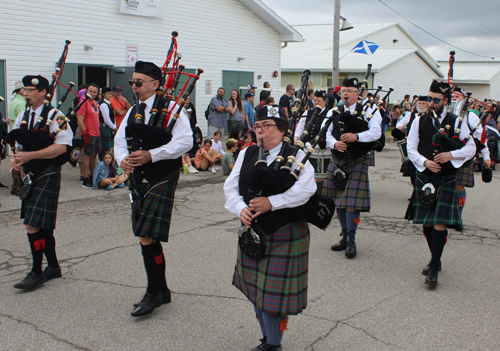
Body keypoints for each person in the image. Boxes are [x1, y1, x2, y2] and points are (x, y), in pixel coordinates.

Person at [224, 104, 315, 351]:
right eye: (257, 126)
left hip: (284, 233)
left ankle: (273, 345)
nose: (260, 132)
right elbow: (230, 188)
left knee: (273, 300)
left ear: (283, 129)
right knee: (257, 292)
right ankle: (267, 339)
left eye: (267, 127)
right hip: (252, 233)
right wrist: (239, 208)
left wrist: (271, 203)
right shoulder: (247, 153)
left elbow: (306, 191)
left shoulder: (298, 155)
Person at [114, 61, 193, 317]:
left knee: (146, 234)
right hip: (138, 177)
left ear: (155, 84)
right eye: (132, 83)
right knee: (148, 234)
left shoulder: (172, 109)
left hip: (162, 175)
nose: (134, 87)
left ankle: (153, 293)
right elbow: (119, 140)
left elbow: (186, 141)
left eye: (138, 82)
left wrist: (152, 155)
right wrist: (122, 159)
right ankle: (163, 290)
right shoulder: (133, 110)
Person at [405, 80, 475, 286]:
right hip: (425, 176)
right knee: (427, 222)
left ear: (445, 101)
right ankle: (436, 256)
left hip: (446, 178)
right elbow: (411, 148)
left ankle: (434, 266)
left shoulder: (457, 121)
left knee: (439, 222)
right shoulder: (419, 121)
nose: (431, 103)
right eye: (428, 98)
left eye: (435, 100)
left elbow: (471, 148)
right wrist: (425, 161)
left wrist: (450, 155)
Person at [9, 75, 73, 289]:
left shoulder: (56, 115)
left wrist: (31, 156)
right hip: (29, 173)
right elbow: (17, 142)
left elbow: (62, 147)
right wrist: (16, 158)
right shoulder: (23, 115)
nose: (25, 93)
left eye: (29, 89)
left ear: (43, 92)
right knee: (42, 227)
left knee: (32, 223)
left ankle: (36, 271)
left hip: (48, 172)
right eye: (24, 89)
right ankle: (53, 267)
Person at [322, 77, 382, 259]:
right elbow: (325, 132)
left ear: (358, 93)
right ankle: (344, 235)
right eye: (343, 92)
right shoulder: (334, 111)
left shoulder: (370, 110)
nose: (345, 94)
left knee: (351, 203)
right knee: (339, 200)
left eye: (349, 91)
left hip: (357, 159)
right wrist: (334, 143)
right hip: (338, 159)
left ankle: (351, 238)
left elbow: (376, 132)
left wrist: (357, 137)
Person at [451, 87, 490, 231]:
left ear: (464, 99)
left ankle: (457, 218)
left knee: (458, 186)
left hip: (464, 155)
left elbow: (481, 138)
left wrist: (486, 155)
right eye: (452, 96)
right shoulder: (444, 114)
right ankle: (446, 215)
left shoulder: (471, 117)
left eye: (457, 96)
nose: (454, 98)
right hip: (445, 154)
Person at [295, 90, 331, 192]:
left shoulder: (329, 113)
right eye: (315, 100)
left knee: (320, 176)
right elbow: (300, 127)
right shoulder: (308, 112)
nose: (316, 102)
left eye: (319, 100)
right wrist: (296, 137)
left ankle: (319, 195)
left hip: (322, 150)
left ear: (325, 102)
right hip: (307, 149)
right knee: (307, 174)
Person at [395, 96, 429, 182]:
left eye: (424, 103)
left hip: (425, 146)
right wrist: (401, 130)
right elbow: (400, 124)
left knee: (424, 171)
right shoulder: (411, 115)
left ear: (428, 105)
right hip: (413, 146)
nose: (421, 105)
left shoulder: (430, 116)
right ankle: (415, 191)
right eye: (420, 103)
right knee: (412, 173)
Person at [77, 83, 101, 189]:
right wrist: (85, 133)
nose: (92, 93)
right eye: (90, 91)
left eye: (94, 92)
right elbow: (79, 120)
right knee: (87, 155)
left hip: (97, 132)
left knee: (94, 156)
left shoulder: (95, 103)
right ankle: (85, 178)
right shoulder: (83, 103)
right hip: (89, 133)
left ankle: (92, 176)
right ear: (87, 91)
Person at [7, 80, 26, 195]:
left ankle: (15, 184)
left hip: (14, 135)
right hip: (19, 136)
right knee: (20, 162)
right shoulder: (20, 103)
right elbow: (23, 121)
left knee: (16, 160)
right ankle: (19, 185)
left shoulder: (15, 101)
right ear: (21, 90)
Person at [99, 87, 116, 155]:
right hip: (105, 127)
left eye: (110, 93)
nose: (110, 95)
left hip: (109, 127)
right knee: (104, 148)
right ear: (103, 95)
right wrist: (114, 128)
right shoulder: (103, 105)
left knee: (108, 148)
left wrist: (114, 126)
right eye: (108, 94)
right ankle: (103, 161)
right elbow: (106, 120)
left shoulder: (109, 104)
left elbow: (112, 117)